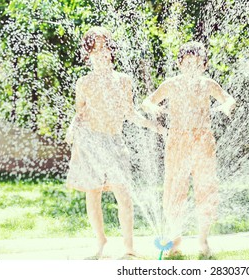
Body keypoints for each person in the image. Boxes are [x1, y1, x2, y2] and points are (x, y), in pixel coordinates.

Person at [65, 26, 165, 259]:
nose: (101, 53)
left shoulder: (123, 80)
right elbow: (80, 112)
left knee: (124, 194)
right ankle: (100, 242)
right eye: (95, 49)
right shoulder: (84, 83)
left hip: (114, 140)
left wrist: (155, 127)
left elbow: (129, 113)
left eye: (105, 48)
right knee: (93, 193)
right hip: (89, 141)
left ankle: (128, 247)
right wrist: (72, 128)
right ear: (87, 55)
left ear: (111, 52)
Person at [142, 41, 236, 256]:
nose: (192, 68)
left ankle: (203, 241)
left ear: (204, 65)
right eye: (187, 63)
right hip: (177, 141)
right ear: (179, 64)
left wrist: (226, 105)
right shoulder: (171, 84)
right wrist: (153, 108)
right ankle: (175, 242)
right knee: (175, 190)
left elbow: (228, 98)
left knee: (205, 188)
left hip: (202, 140)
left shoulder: (208, 84)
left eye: (197, 64)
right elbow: (147, 101)